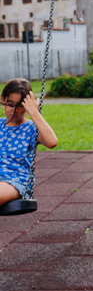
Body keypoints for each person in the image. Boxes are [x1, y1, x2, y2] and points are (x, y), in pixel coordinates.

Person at [0, 78, 58, 206]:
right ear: (3, 100)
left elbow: (52, 142)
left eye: (21, 106)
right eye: (10, 104)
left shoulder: (31, 128)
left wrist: (34, 113)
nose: (15, 110)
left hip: (14, 181)